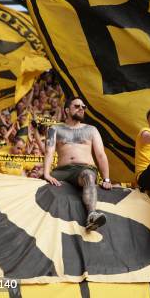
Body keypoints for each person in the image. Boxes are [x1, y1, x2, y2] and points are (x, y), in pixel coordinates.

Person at [43, 97, 112, 231]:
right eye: (77, 106)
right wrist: (46, 174)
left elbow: (100, 155)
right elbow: (49, 151)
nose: (81, 109)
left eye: (83, 107)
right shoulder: (54, 128)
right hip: (61, 171)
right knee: (40, 182)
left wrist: (106, 179)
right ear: (67, 110)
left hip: (84, 170)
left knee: (88, 175)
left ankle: (92, 215)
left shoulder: (92, 129)